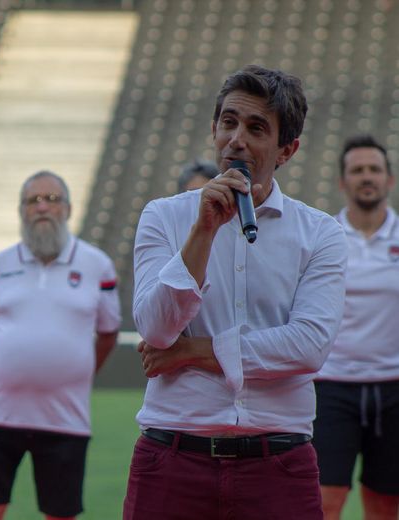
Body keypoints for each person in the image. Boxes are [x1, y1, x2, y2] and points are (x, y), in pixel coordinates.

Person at [124, 64, 347, 519]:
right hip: (172, 458)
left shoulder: (320, 234)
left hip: (278, 465)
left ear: (287, 149)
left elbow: (308, 346)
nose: (236, 139)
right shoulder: (164, 217)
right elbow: (155, 329)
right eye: (228, 122)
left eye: (256, 128)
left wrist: (196, 352)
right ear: (213, 129)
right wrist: (202, 233)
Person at [0, 170, 121, 520]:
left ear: (69, 208)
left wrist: (73, 371)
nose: (43, 207)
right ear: (21, 211)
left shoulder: (98, 265)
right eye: (33, 201)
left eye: (52, 199)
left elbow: (108, 333)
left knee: (59, 514)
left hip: (66, 416)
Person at [313, 134, 399, 520]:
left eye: (375, 169)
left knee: (386, 503)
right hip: (331, 386)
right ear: (342, 181)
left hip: (394, 387)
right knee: (323, 499)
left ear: (389, 179)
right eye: (358, 170)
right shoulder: (322, 238)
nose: (367, 177)